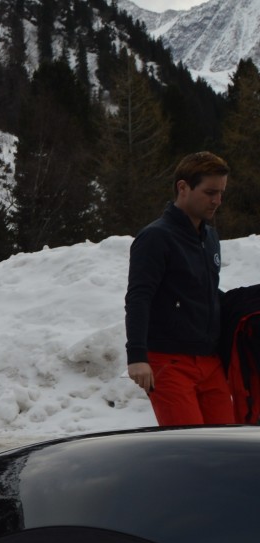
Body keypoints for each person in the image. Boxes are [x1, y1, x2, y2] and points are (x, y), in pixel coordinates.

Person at [125, 151, 234, 426]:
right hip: (168, 363)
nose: (217, 201)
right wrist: (137, 356)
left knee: (226, 448)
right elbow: (139, 297)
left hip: (210, 363)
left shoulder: (209, 237)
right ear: (183, 187)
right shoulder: (155, 237)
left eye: (221, 193)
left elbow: (203, 293)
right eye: (210, 192)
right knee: (189, 451)